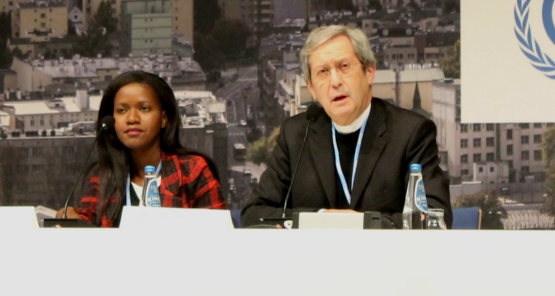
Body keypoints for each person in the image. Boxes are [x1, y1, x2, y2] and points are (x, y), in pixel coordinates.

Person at [241, 25, 452, 228]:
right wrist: (321, 218)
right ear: (312, 88)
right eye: (323, 71)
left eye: (344, 67)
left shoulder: (410, 133)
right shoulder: (297, 134)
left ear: (369, 71)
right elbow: (254, 214)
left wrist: (358, 224)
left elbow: (435, 216)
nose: (335, 81)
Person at [66, 71, 226, 227]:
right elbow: (86, 226)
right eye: (122, 111)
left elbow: (220, 236)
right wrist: (70, 219)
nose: (132, 119)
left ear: (164, 119)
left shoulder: (193, 170)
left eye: (144, 109)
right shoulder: (103, 175)